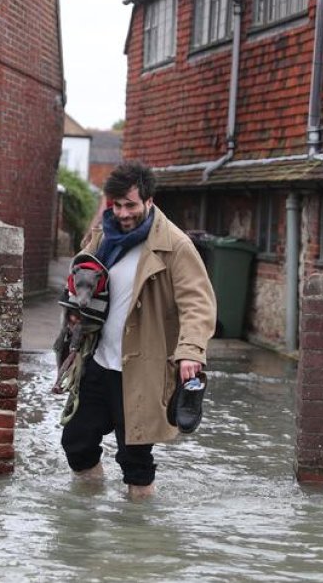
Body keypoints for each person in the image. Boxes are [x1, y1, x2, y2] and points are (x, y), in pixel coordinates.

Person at [60, 160, 216, 499]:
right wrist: (75, 310)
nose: (122, 213)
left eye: (130, 205)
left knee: (135, 460)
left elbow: (198, 303)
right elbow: (80, 276)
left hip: (142, 368)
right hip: (99, 361)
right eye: (116, 205)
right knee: (76, 443)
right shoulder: (103, 234)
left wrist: (191, 351)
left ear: (149, 200)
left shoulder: (175, 246)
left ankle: (136, 538)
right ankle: (85, 512)